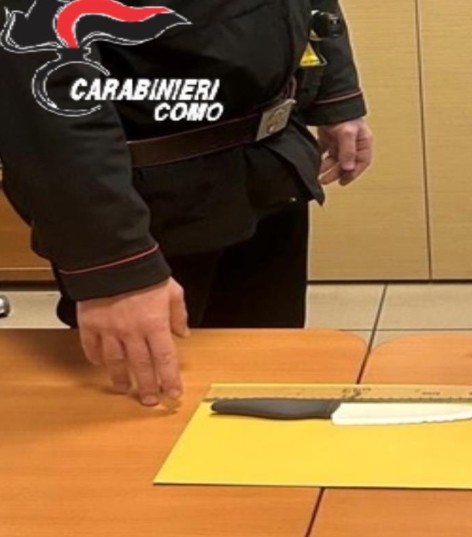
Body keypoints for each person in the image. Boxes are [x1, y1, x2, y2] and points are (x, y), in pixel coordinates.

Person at [0, 0, 373, 406]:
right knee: (148, 410)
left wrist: (335, 95)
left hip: (269, 166)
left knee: (262, 383)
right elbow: (41, 100)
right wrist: (113, 264)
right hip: (146, 202)